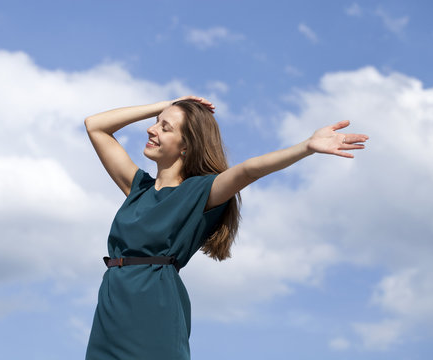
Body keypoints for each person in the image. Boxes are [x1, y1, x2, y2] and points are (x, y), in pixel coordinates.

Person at [84, 95, 368, 360]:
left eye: (165, 127)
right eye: (156, 122)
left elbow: (248, 170)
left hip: (154, 305)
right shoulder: (138, 188)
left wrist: (305, 147)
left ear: (186, 146)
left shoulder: (199, 192)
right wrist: (167, 104)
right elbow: (95, 126)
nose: (151, 129)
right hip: (111, 305)